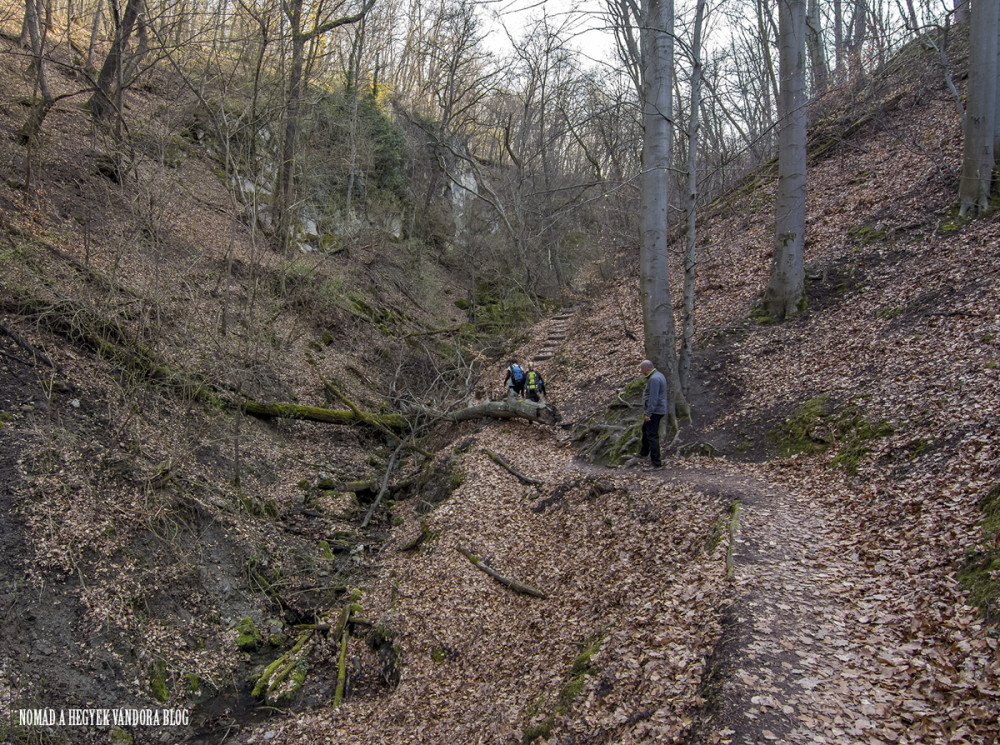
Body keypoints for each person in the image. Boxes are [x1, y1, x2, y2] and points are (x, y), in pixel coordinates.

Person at [638, 359, 667, 469]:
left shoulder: (654, 379)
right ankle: (644, 452)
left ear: (645, 369)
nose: (641, 371)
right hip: (657, 410)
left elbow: (653, 398)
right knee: (645, 429)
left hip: (655, 411)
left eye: (642, 369)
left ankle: (656, 463)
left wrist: (649, 413)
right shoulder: (658, 375)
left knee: (652, 435)